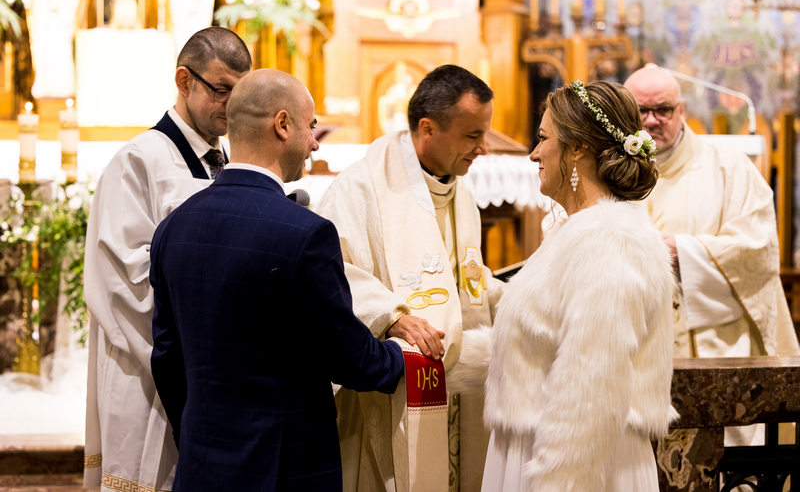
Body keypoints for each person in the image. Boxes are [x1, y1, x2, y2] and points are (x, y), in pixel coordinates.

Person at [149, 68, 405, 491]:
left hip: (201, 466)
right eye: (311, 126)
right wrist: (404, 355)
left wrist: (196, 439)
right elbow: (350, 360)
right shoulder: (306, 234)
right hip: (285, 471)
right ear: (282, 124)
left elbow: (167, 359)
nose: (314, 142)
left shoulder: (173, 227)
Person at [470, 80, 675, 490]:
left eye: (543, 138)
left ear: (578, 147)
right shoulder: (576, 232)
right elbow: (541, 345)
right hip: (539, 445)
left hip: (572, 464)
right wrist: (443, 359)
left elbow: (593, 391)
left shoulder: (609, 240)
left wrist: (559, 481)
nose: (534, 153)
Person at [316, 64, 505, 492]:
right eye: (472, 135)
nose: (483, 148)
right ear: (428, 129)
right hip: (388, 390)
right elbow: (331, 271)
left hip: (457, 388)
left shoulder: (461, 192)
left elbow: (467, 278)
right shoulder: (362, 188)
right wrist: (392, 314)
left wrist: (517, 300)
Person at [83, 27, 251, 491]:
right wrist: (208, 337)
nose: (231, 105)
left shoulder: (230, 163)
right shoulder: (139, 161)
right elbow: (124, 283)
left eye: (240, 93)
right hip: (151, 374)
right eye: (221, 90)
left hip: (213, 374)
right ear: (184, 80)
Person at [623, 66, 800, 360]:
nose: (651, 120)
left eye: (663, 109)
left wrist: (682, 250)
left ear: (681, 110)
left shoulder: (729, 167)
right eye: (641, 110)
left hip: (713, 345)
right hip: (631, 344)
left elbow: (758, 248)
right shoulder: (606, 173)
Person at [23, 0, 86, 99]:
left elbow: (75, 3)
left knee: (62, 60)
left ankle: (64, 91)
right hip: (46, 29)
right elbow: (34, 5)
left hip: (63, 29)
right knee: (46, 59)